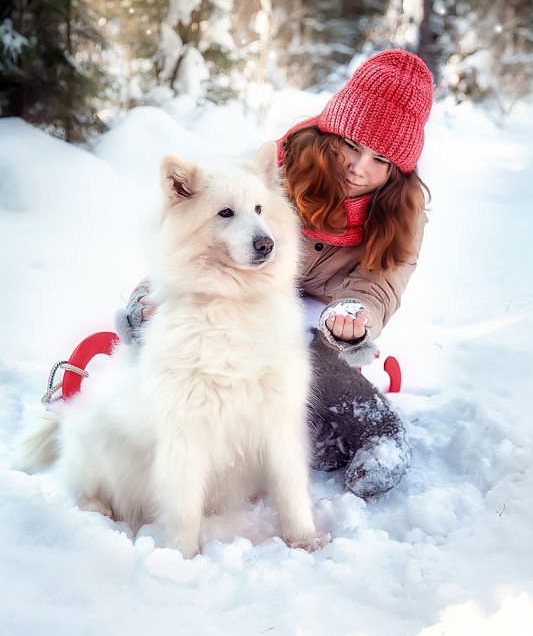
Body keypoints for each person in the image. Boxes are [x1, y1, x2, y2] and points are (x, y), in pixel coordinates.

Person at [117, 49, 434, 499]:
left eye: (380, 159)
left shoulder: (403, 209)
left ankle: (377, 432)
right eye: (352, 145)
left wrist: (356, 312)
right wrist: (153, 294)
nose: (359, 167)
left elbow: (382, 279)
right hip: (256, 291)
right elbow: (199, 233)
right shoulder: (281, 165)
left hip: (326, 314)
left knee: (308, 349)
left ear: (397, 168)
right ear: (332, 132)